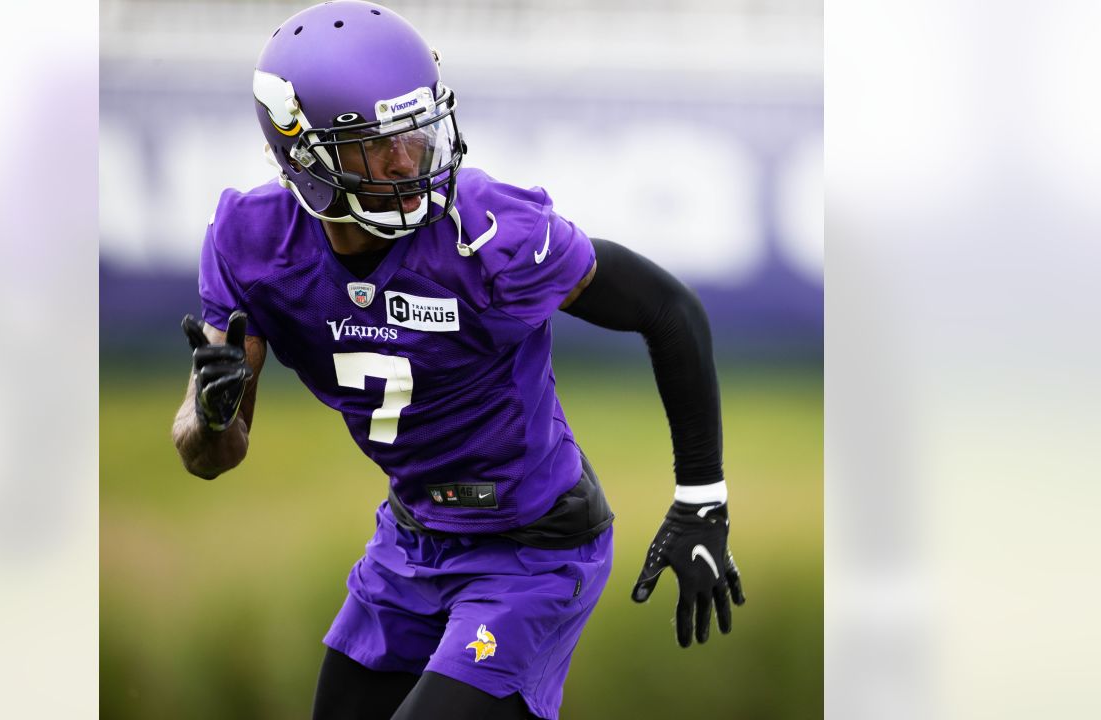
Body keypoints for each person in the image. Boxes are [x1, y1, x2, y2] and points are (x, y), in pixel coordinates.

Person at [171, 2, 745, 718]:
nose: (408, 160)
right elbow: (210, 455)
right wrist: (213, 409)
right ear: (304, 154)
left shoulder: (490, 232)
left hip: (532, 552)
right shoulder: (249, 242)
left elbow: (669, 310)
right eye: (375, 144)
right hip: (411, 541)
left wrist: (702, 502)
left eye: (415, 128)